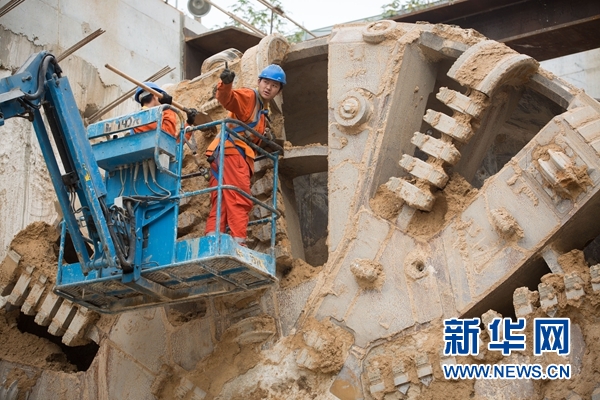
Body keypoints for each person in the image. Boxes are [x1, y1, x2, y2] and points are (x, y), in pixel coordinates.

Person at [204, 64, 286, 246]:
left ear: (278, 91)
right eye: (266, 82)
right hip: (233, 154)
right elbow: (228, 99)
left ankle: (212, 241)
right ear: (259, 82)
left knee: (221, 200)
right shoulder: (250, 97)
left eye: (274, 85)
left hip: (220, 155)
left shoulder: (262, 112)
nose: (268, 87)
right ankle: (238, 244)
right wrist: (226, 84)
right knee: (239, 199)